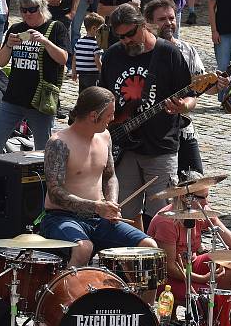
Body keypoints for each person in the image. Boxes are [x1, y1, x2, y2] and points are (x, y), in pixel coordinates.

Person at [99, 3, 194, 226]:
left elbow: (191, 94)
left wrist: (184, 106)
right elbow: (104, 95)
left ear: (143, 24)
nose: (125, 40)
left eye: (130, 34)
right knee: (124, 213)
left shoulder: (167, 53)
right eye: (120, 36)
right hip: (124, 149)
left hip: (160, 146)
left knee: (163, 217)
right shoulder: (113, 54)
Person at [42, 86, 157, 267]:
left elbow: (110, 176)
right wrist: (96, 207)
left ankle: (134, 296)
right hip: (61, 217)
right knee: (83, 248)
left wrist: (111, 203)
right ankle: (70, 294)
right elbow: (55, 192)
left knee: (148, 247)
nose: (112, 119)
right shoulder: (59, 144)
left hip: (98, 218)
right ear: (93, 116)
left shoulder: (105, 136)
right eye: (110, 114)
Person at [143, 0, 227, 179]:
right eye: (162, 19)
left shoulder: (187, 50)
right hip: (149, 132)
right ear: (148, 23)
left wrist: (216, 85)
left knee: (195, 181)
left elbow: (201, 88)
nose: (169, 23)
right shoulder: (142, 51)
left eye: (171, 18)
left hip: (183, 127)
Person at [147, 170, 231, 304]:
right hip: (166, 277)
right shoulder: (166, 222)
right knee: (204, 292)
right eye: (202, 197)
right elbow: (169, 267)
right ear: (184, 197)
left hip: (190, 265)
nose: (206, 202)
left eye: (207, 196)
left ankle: (219, 308)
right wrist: (203, 278)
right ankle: (207, 309)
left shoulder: (201, 210)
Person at [0, 0, 68, 154]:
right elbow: (0, 62)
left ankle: (42, 179)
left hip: (40, 102)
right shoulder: (16, 29)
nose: (28, 14)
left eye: (32, 9)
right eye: (23, 10)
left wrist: (45, 42)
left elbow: (63, 59)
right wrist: (8, 45)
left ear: (42, 6)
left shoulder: (56, 27)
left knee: (44, 151)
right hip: (13, 97)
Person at [71, 11, 103, 93]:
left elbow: (74, 58)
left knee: (82, 93)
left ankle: (82, 105)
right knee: (93, 94)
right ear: (94, 29)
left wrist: (74, 71)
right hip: (93, 75)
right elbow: (97, 60)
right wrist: (103, 72)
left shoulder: (79, 42)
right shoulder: (97, 44)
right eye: (101, 29)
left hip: (82, 74)